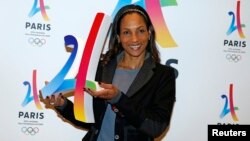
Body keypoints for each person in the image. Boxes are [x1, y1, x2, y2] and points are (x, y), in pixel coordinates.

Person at [43, 4, 176, 141]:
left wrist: (118, 98)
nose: (135, 39)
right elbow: (89, 119)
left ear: (149, 33)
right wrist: (62, 104)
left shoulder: (163, 75)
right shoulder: (102, 67)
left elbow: (156, 127)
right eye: (126, 32)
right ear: (118, 37)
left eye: (140, 31)